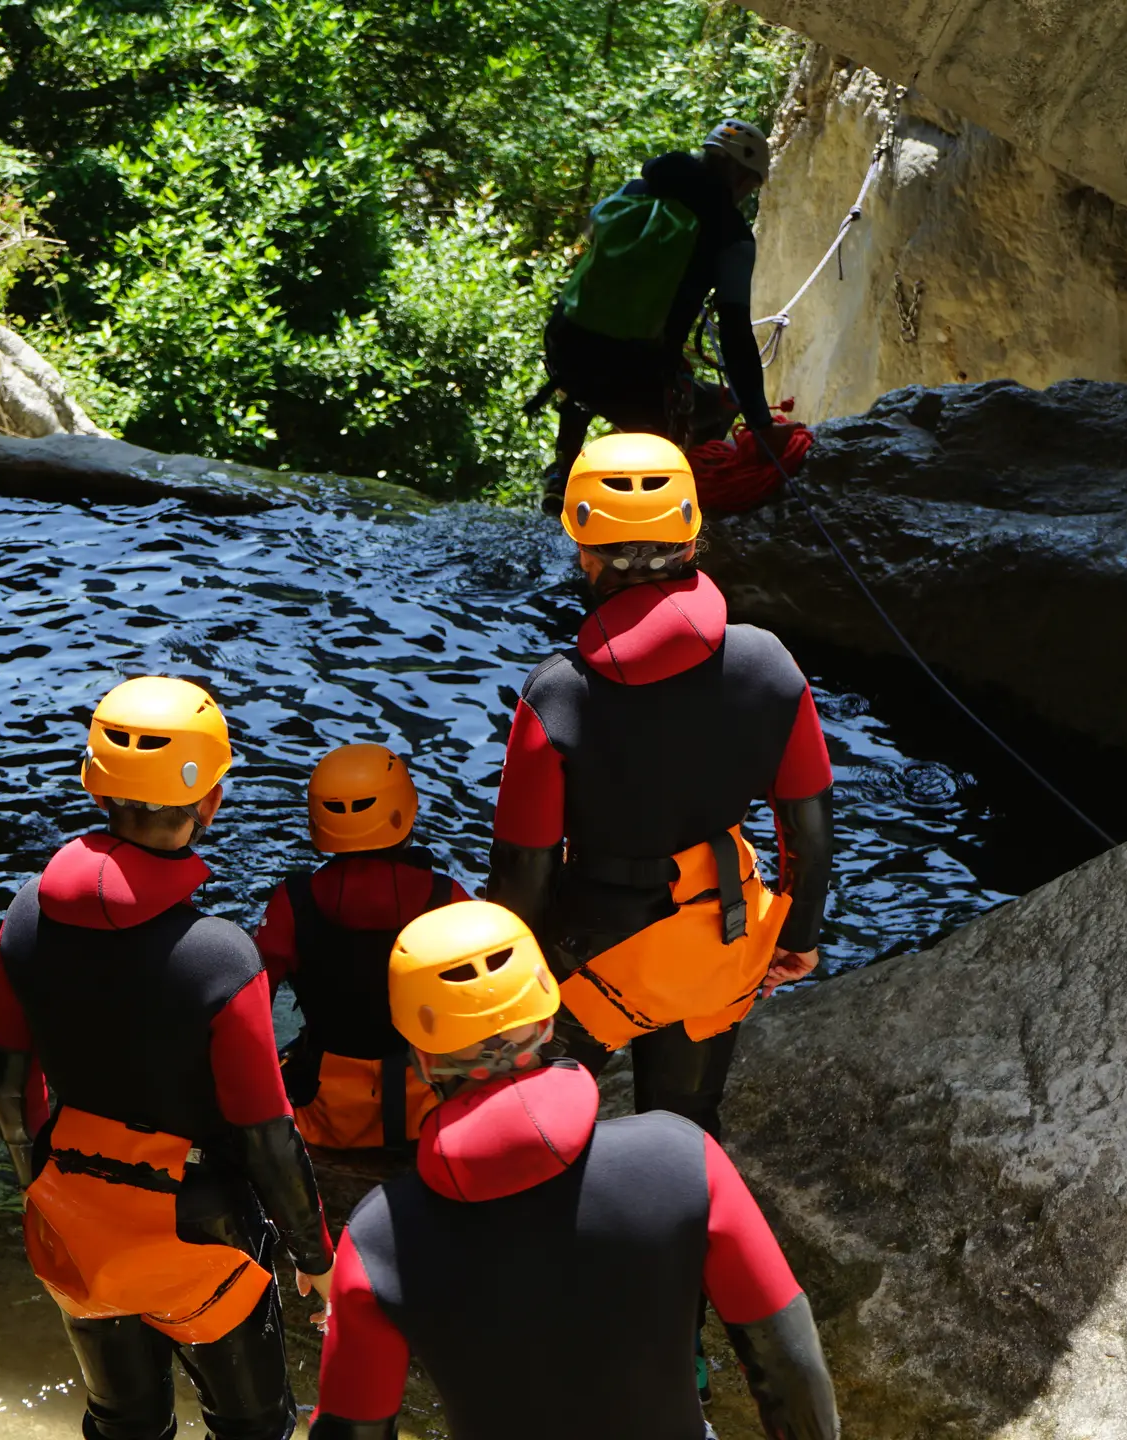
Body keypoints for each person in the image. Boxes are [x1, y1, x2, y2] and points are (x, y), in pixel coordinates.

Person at [308, 900, 839, 1439]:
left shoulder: (379, 1239)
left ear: (421, 1059)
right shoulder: (679, 1158)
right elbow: (791, 1366)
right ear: (545, 1020)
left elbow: (353, 1430)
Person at [0, 675, 334, 1440]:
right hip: (198, 1229)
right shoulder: (219, 958)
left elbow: (10, 1092)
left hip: (75, 1210)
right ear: (211, 800)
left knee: (122, 1421)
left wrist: (41, 1194)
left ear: (93, 784)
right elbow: (265, 1134)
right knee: (252, 1427)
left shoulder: (23, 918)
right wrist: (316, 1253)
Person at [486, 431, 834, 1144]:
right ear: (692, 537)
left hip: (592, 952)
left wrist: (510, 989)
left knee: (540, 1132)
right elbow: (808, 828)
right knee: (685, 1128)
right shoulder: (767, 663)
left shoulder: (556, 696)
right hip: (718, 932)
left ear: (584, 549)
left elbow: (525, 868)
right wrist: (795, 938)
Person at [537, 118, 779, 514]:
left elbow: (594, 236)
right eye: (752, 182)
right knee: (721, 405)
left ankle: (562, 473)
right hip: (635, 374)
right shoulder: (731, 236)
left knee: (584, 391)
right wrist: (760, 422)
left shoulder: (636, 191)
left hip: (566, 347)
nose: (748, 193)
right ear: (738, 173)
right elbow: (735, 335)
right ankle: (660, 500)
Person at [255, 743, 470, 1151]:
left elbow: (250, 1002)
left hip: (323, 1113)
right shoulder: (447, 897)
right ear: (407, 810)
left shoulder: (294, 901)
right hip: (424, 1107)